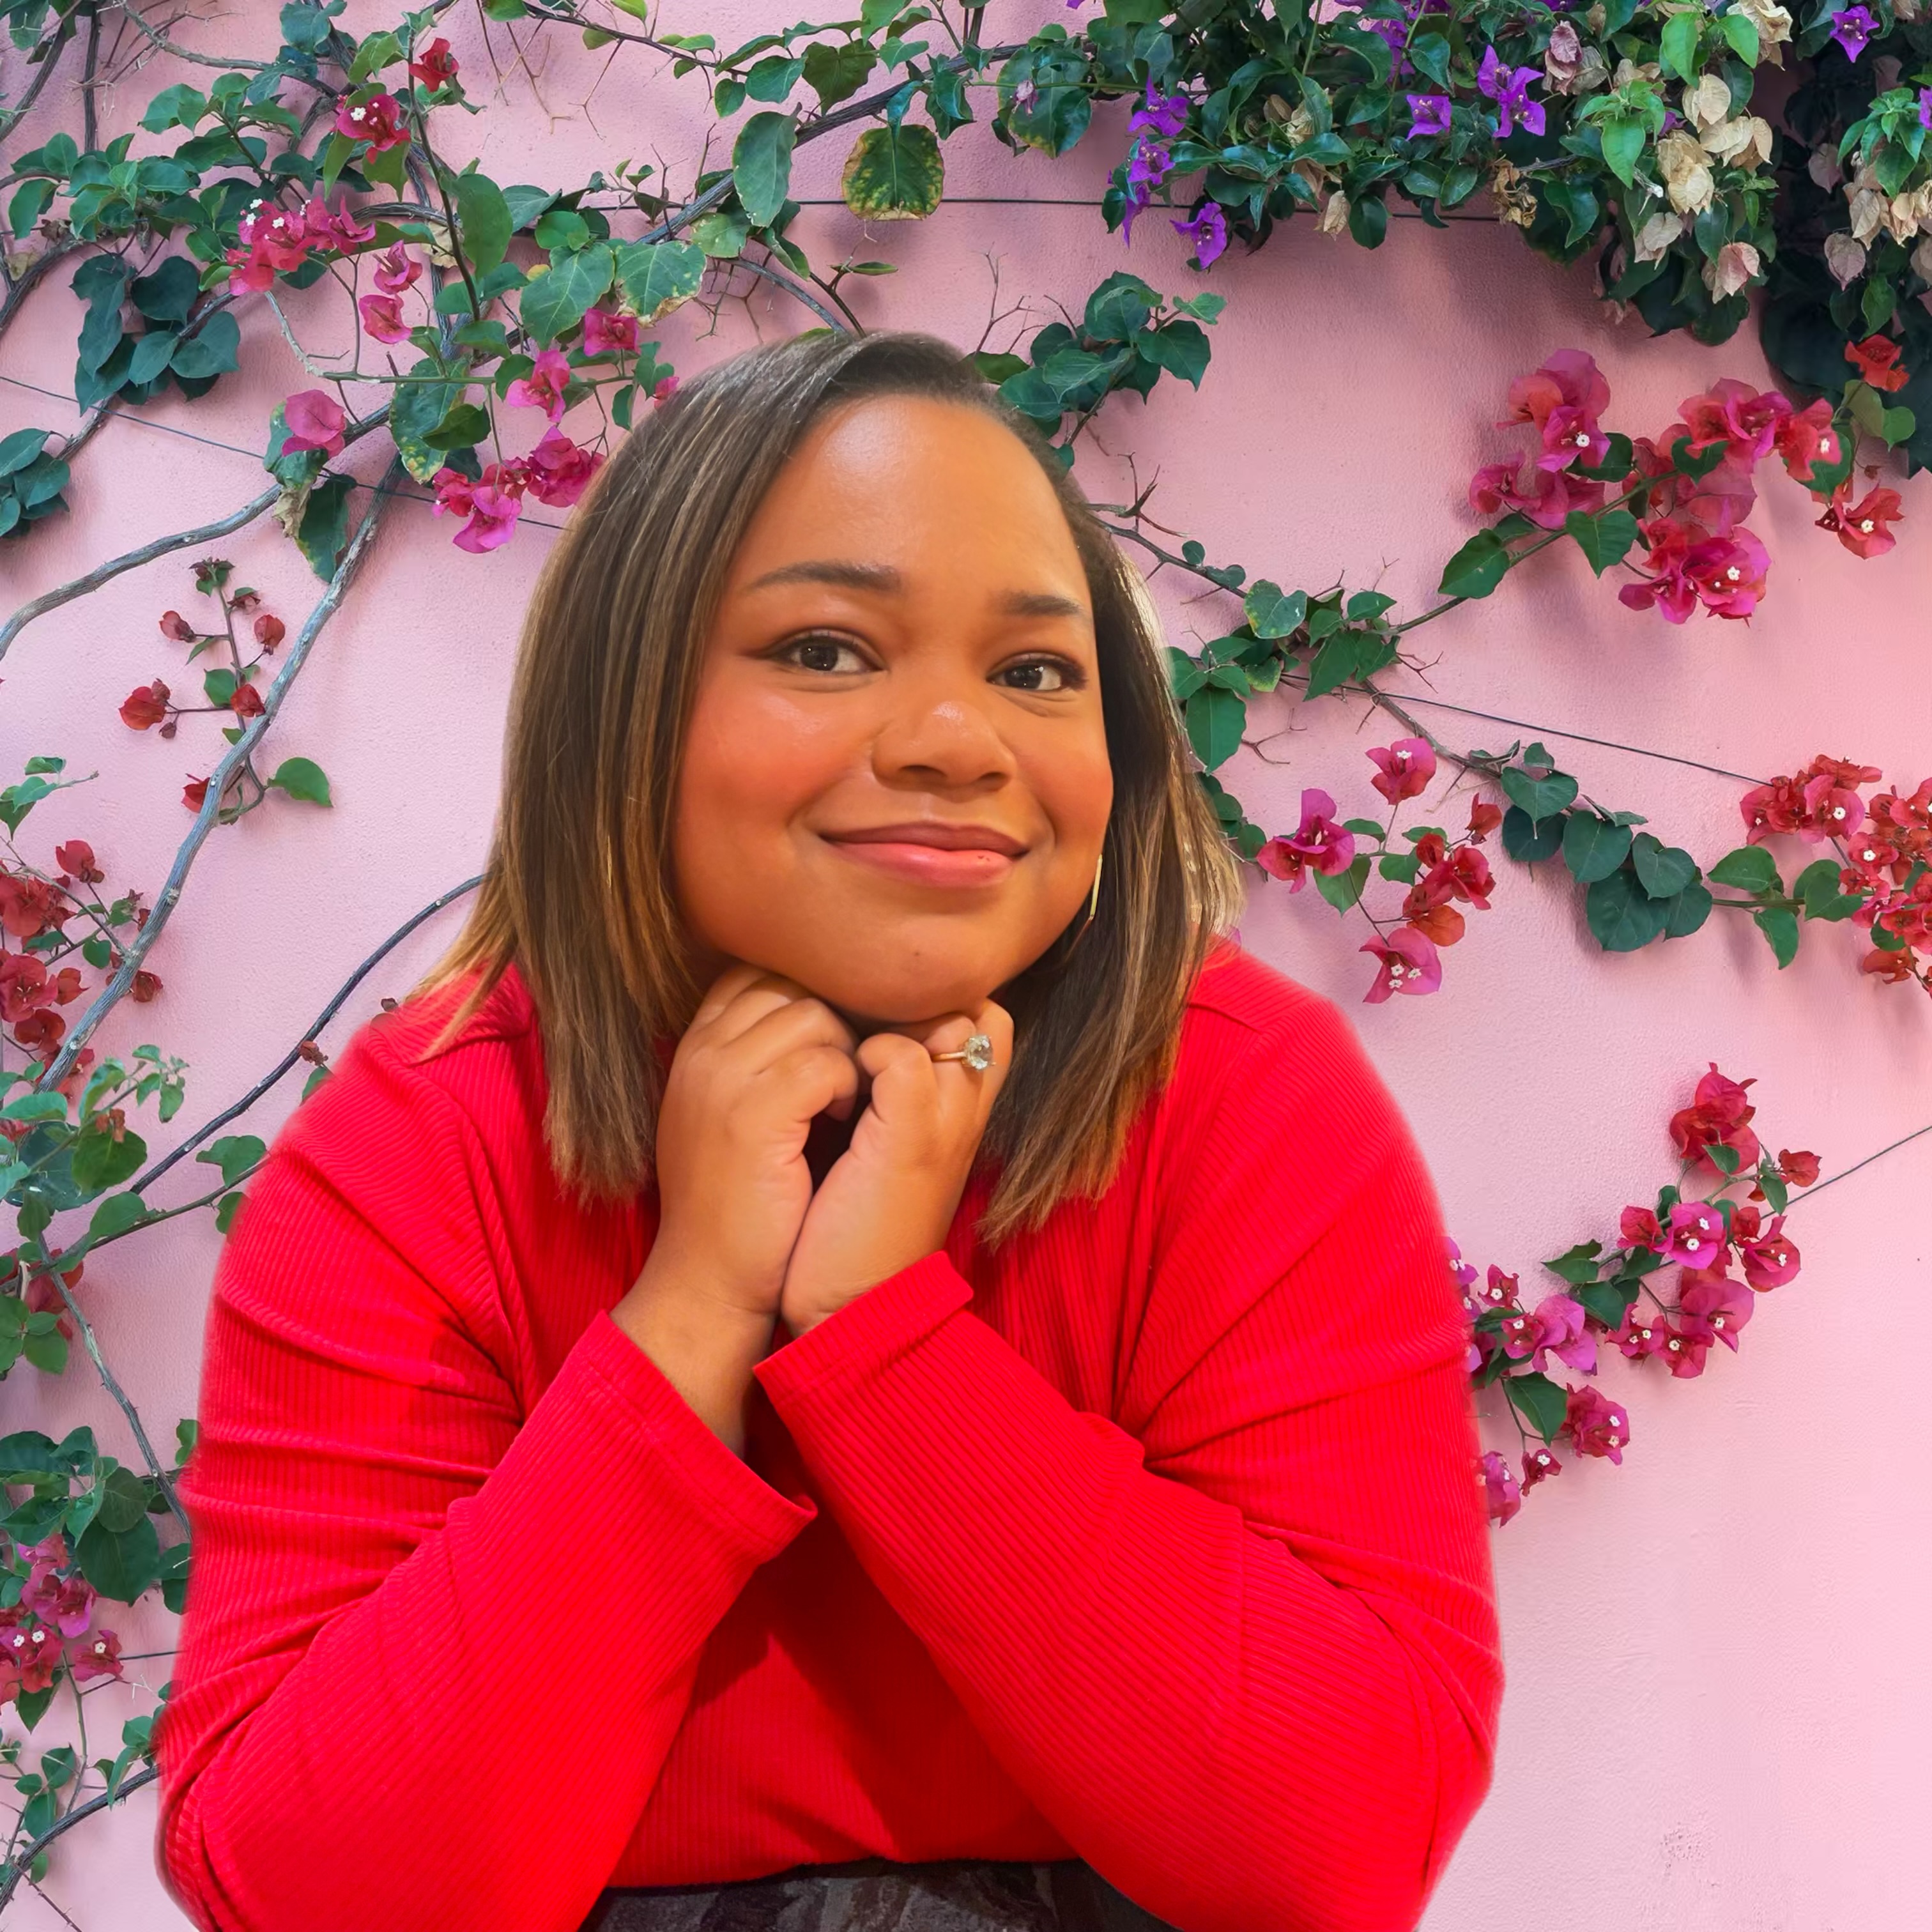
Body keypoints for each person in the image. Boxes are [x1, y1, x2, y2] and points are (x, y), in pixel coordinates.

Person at [154, 329, 1503, 1932]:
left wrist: (883, 1344)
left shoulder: (1243, 1099)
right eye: (827, 648)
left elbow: (1338, 1849)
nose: (955, 741)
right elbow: (312, 1897)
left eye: (1035, 671)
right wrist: (691, 1313)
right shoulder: (416, 1146)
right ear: (626, 704)